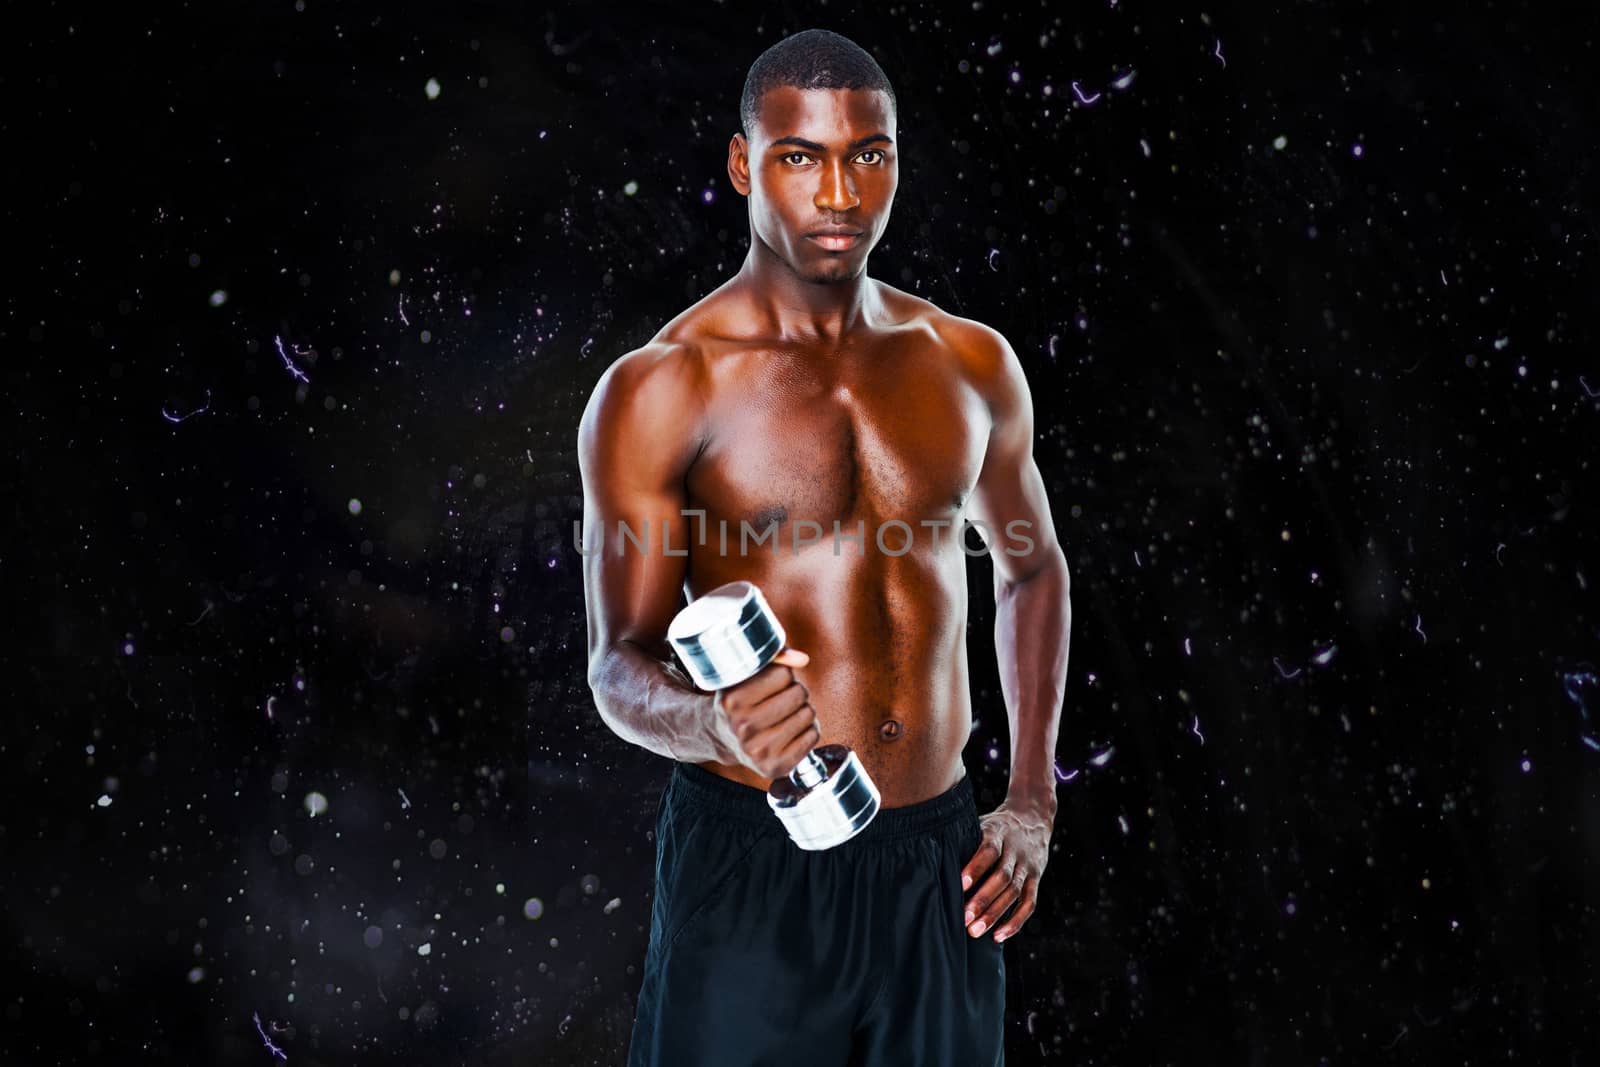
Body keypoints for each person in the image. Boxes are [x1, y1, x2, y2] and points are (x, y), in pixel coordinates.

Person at [578, 26, 1071, 1067]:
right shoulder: (662, 387)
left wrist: (1028, 798)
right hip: (751, 857)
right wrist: (709, 717)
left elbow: (1029, 568)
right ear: (743, 163)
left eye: (869, 154)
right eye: (801, 156)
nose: (841, 192)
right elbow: (616, 665)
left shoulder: (968, 363)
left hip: (940, 861)